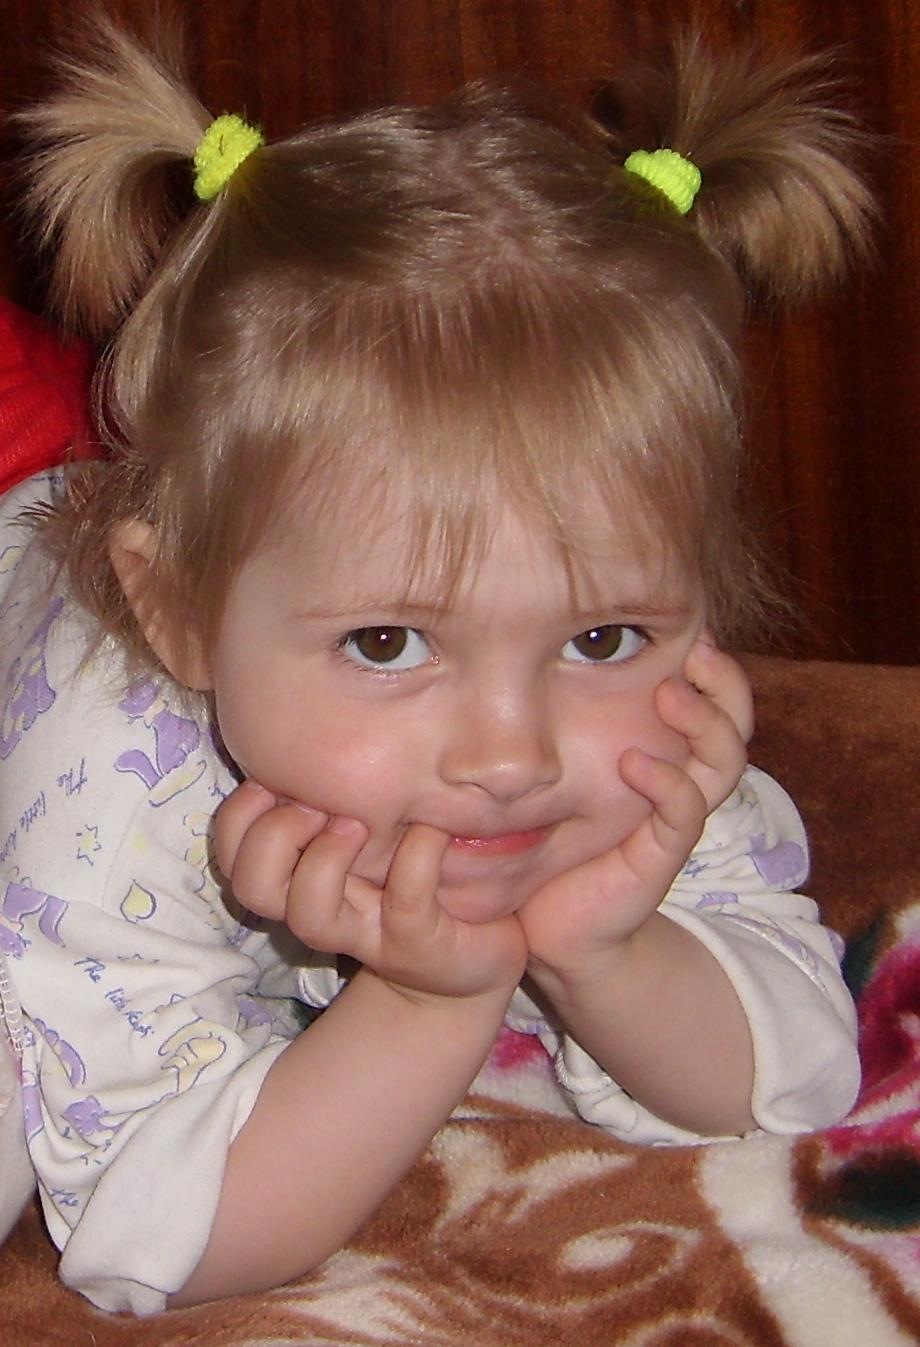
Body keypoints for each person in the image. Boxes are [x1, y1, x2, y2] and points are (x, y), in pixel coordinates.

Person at [0, 12, 874, 1315]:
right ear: (178, 614)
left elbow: (793, 1082)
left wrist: (610, 953)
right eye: (387, 643)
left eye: (599, 636)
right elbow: (151, 1242)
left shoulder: (636, 746)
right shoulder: (112, 794)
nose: (511, 754)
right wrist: (423, 1006)